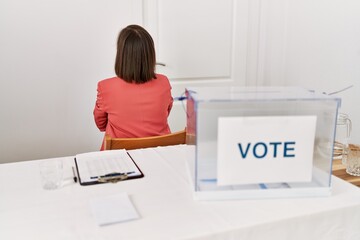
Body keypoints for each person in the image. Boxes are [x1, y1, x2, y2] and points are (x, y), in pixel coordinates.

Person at [93, 24, 173, 150]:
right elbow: (164, 114)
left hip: (119, 159)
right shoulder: (164, 82)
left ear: (121, 55)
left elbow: (101, 124)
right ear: (150, 54)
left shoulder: (105, 87)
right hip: (159, 154)